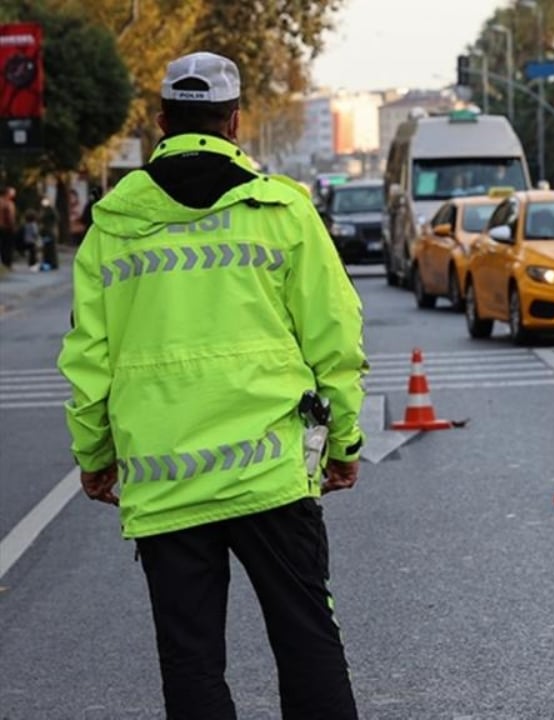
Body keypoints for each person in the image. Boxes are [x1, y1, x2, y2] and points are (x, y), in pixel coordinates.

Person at [58, 51, 366, 719]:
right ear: (234, 121)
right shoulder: (281, 208)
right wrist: (343, 440)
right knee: (307, 638)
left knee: (191, 661)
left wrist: (94, 457)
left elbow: (88, 361)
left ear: (163, 120)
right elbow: (334, 336)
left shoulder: (111, 225)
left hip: (168, 480)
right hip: (271, 474)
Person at [0, 186, 16, 268]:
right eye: (12, 192)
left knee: (4, 245)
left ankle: (5, 262)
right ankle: (7, 263)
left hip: (4, 226)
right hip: (6, 227)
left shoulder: (8, 202)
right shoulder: (6, 203)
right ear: (7, 193)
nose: (14, 194)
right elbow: (8, 216)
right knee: (7, 246)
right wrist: (12, 225)